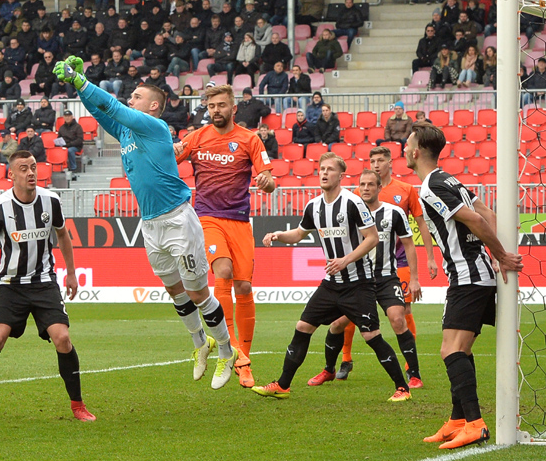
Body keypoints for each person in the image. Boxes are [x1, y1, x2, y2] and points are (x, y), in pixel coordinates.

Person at [55, 55, 239, 388]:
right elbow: (100, 111)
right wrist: (77, 84)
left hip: (178, 220)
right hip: (151, 223)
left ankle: (227, 351)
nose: (131, 100)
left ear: (154, 105)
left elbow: (112, 105)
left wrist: (82, 81)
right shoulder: (126, 131)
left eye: (137, 97)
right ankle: (201, 344)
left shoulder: (154, 127)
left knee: (198, 293)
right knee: (174, 290)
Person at [0, 150, 95, 423]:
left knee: (62, 338)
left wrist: (71, 273)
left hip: (43, 283)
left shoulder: (51, 201)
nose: (31, 173)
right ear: (11, 174)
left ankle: (78, 406)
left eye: (34, 167)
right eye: (24, 168)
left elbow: (63, 235)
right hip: (10, 285)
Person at [252, 153, 411, 402]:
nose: (324, 173)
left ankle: (402, 388)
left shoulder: (353, 203)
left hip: (359, 283)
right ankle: (282, 385)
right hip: (332, 285)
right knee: (303, 327)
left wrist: (345, 260)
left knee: (371, 336)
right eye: (321, 168)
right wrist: (277, 235)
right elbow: (298, 234)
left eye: (330, 169)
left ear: (341, 175)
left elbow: (372, 238)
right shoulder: (313, 206)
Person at [405, 124, 523, 448]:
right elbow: (483, 209)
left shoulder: (431, 186)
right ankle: (458, 419)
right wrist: (496, 257)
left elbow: (477, 220)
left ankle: (475, 423)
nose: (403, 149)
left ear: (415, 152)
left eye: (406, 144)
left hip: (468, 276)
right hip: (474, 274)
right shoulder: (449, 179)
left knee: (451, 350)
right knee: (461, 349)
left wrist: (500, 254)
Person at [174, 84, 274, 388]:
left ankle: (244, 358)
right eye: (211, 105)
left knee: (243, 286)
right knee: (224, 271)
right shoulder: (197, 138)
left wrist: (267, 181)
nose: (216, 110)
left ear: (233, 108)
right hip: (206, 217)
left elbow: (267, 177)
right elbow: (169, 160)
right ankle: (228, 351)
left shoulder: (249, 140)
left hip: (240, 222)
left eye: (221, 105)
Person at [338, 145, 439, 381]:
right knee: (347, 315)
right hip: (362, 267)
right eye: (372, 161)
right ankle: (345, 360)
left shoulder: (405, 190)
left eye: (381, 160)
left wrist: (431, 257)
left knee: (402, 312)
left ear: (390, 162)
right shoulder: (356, 193)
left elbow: (421, 224)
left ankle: (410, 366)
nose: (376, 164)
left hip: (396, 262)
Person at [57, 110, 84, 178]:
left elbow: (80, 140)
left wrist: (69, 144)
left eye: (69, 116)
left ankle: (73, 168)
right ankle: (60, 168)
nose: (67, 118)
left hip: (75, 146)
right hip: (64, 145)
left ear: (72, 117)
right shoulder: (62, 128)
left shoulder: (77, 127)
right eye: (66, 116)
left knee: (70, 150)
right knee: (58, 150)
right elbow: (59, 138)